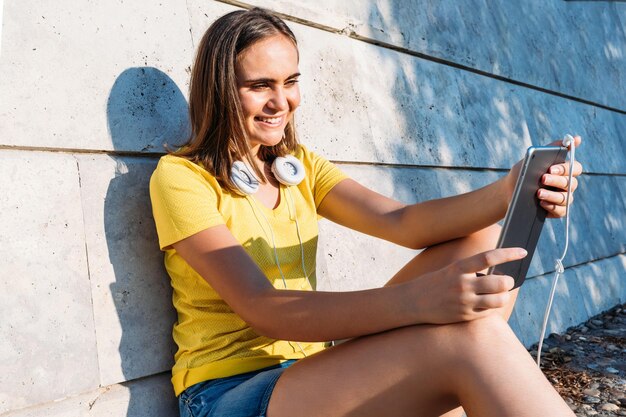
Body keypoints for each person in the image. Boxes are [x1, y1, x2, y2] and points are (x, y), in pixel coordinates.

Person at [149, 7, 583, 417]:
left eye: (290, 81)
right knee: (471, 341)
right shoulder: (181, 179)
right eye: (260, 85)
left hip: (311, 373)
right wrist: (418, 302)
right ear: (220, 88)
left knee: (486, 245)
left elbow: (403, 223)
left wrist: (509, 191)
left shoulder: (296, 167)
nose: (282, 101)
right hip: (227, 393)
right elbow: (265, 309)